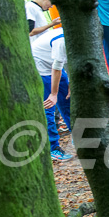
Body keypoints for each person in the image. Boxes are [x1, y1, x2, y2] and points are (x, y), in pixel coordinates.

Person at [31, 28, 74, 162]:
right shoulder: (61, 41)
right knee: (49, 106)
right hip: (42, 68)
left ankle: (79, 138)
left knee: (68, 101)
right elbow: (56, 67)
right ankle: (53, 148)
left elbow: (73, 62)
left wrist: (71, 82)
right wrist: (53, 93)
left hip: (55, 67)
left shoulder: (79, 37)